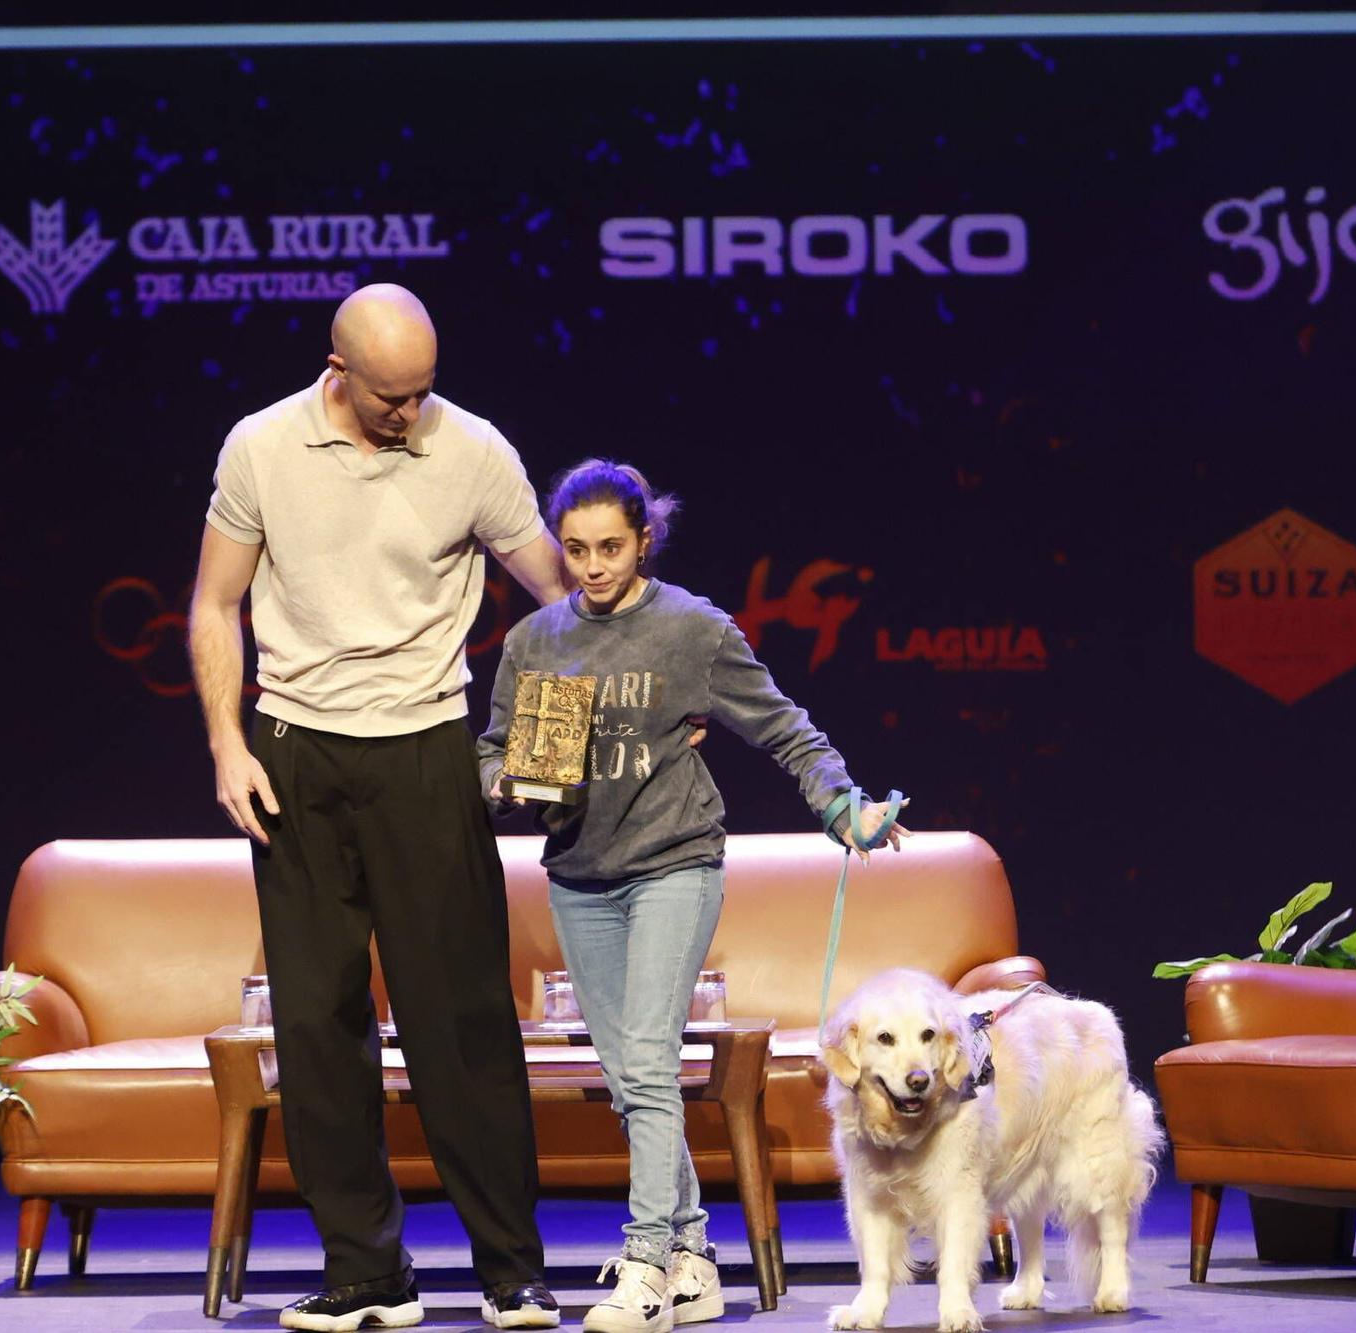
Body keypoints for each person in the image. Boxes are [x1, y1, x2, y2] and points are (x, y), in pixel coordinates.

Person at [190, 284, 569, 1331]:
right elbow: (215, 600)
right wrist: (228, 743)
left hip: (424, 753)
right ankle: (366, 1271)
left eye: (422, 391)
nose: (410, 412)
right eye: (391, 395)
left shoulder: (471, 449)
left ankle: (510, 1268)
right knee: (316, 1023)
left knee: (461, 1022)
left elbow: (561, 598)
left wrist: (572, 731)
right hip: (296, 755)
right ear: (338, 370)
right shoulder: (261, 447)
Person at [476, 460, 908, 1333]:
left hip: (674, 862)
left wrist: (841, 804)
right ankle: (695, 1258)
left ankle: (643, 1264)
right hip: (578, 873)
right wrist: (511, 782)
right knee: (631, 1078)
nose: (593, 566)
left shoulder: (691, 629)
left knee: (645, 1059)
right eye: (575, 550)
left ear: (643, 540)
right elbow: (490, 752)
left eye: (610, 547)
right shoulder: (536, 643)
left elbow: (783, 724)